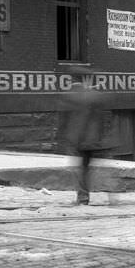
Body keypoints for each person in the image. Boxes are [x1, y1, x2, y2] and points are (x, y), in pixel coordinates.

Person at [57, 66, 107, 205]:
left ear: (72, 78)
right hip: (91, 139)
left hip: (75, 139)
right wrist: (100, 137)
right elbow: (101, 119)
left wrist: (61, 136)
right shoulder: (95, 95)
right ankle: (86, 195)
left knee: (78, 168)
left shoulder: (68, 95)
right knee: (86, 168)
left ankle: (83, 197)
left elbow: (63, 120)